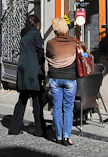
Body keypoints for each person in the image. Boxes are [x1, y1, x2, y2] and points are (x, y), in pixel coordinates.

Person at [9, 14, 47, 137]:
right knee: (37, 99)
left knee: (22, 98)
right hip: (32, 68)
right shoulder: (35, 34)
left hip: (23, 67)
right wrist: (39, 64)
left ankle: (14, 128)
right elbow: (40, 51)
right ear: (37, 24)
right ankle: (40, 130)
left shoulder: (24, 34)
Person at [47, 17, 77, 146]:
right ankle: (67, 136)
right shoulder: (73, 42)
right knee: (68, 108)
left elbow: (48, 57)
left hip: (55, 78)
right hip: (70, 78)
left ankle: (58, 136)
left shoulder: (50, 43)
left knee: (57, 108)